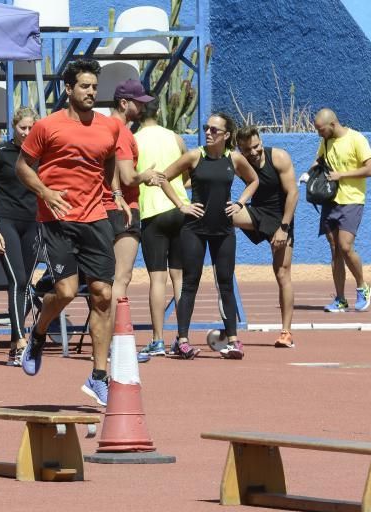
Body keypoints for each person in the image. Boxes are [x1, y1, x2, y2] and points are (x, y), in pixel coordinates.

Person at [16, 58, 119, 406]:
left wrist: (108, 195)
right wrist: (45, 192)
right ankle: (39, 333)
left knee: (104, 294)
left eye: (94, 87)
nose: (91, 92)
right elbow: (22, 168)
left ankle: (98, 375)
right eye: (85, 86)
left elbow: (107, 161)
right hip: (56, 219)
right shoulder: (47, 127)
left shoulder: (109, 127)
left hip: (95, 218)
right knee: (65, 291)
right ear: (69, 88)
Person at [159, 113, 259, 360]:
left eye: (215, 129)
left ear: (226, 135)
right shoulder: (195, 156)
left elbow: (253, 180)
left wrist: (240, 203)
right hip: (193, 229)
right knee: (190, 283)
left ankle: (234, 341)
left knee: (225, 283)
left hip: (224, 230)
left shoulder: (233, 158)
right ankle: (182, 340)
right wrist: (182, 205)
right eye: (206, 128)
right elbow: (163, 178)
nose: (208, 132)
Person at [0, 107, 40, 367]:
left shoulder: (42, 154)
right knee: (17, 280)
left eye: (31, 128)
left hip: (34, 222)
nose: (26, 133)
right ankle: (20, 340)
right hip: (5, 220)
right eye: (22, 128)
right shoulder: (0, 153)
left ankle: (16, 345)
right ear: (13, 127)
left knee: (27, 283)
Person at [106, 79, 163, 339]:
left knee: (105, 280)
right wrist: (146, 174)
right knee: (121, 278)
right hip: (123, 209)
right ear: (124, 103)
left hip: (101, 209)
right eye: (138, 102)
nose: (142, 107)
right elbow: (128, 177)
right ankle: (115, 340)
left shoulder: (102, 127)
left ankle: (106, 339)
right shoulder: (123, 132)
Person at [233, 126, 299, 348]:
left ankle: (286, 332)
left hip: (281, 218)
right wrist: (174, 182)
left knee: (282, 273)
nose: (254, 152)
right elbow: (208, 176)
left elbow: (293, 193)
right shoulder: (239, 162)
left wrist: (283, 228)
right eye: (248, 150)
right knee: (225, 214)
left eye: (256, 146)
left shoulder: (279, 157)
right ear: (239, 149)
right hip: (257, 212)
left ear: (261, 141)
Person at [134, 99, 189, 358]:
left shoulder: (134, 140)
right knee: (179, 277)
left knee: (158, 278)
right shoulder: (176, 138)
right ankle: (182, 337)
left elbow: (131, 178)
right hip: (180, 210)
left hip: (153, 213)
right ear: (158, 111)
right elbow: (186, 175)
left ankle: (158, 339)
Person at [311, 108, 371, 313]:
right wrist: (309, 174)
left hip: (352, 200)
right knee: (335, 250)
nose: (319, 133)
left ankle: (363, 286)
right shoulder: (326, 141)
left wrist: (342, 175)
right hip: (330, 200)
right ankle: (340, 298)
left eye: (321, 129)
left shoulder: (357, 139)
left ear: (333, 124)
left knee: (345, 247)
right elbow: (319, 161)